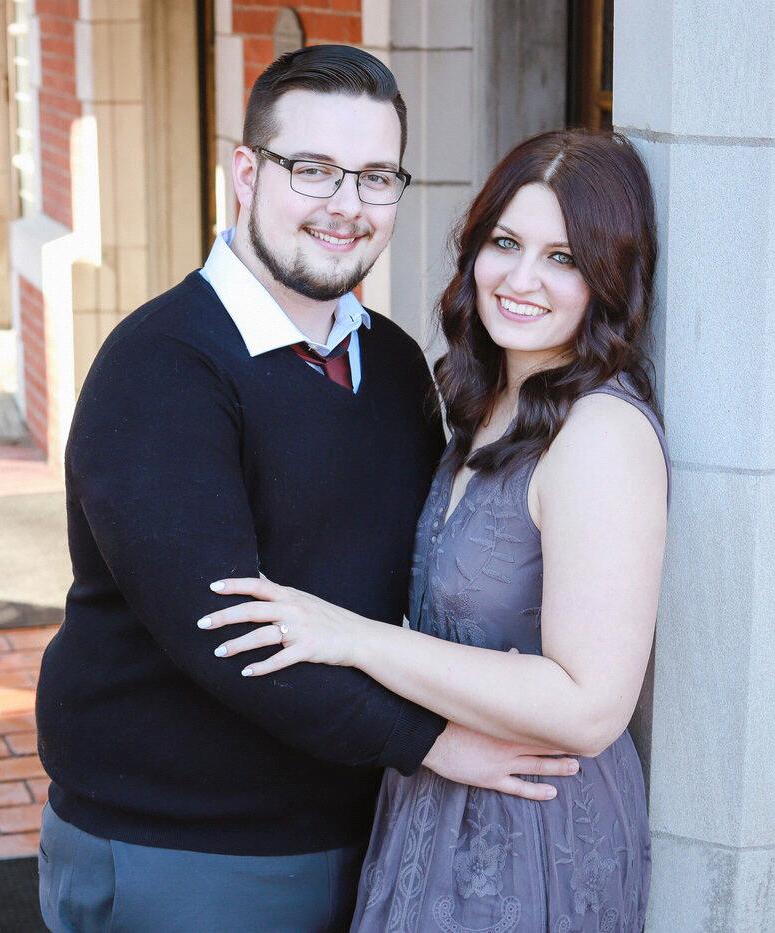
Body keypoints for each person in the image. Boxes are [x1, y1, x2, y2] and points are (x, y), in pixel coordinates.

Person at [34, 46, 577, 932]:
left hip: (369, 826)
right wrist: (438, 742)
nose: (345, 205)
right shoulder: (161, 367)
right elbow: (228, 633)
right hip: (185, 850)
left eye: (375, 178)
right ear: (247, 173)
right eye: (313, 169)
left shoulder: (394, 365)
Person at [198, 129, 667, 930]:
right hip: (436, 795)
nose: (521, 279)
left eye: (563, 257)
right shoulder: (489, 401)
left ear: (609, 277)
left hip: (534, 827)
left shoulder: (601, 434)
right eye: (506, 243)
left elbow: (590, 704)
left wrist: (351, 637)